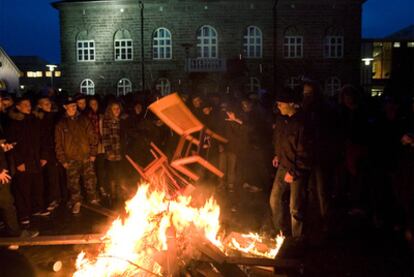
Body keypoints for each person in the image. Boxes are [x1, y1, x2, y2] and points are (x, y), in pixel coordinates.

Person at [269, 87, 312, 240]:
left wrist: (294, 172)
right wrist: (277, 155)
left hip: (297, 169)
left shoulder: (302, 123)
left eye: (281, 104)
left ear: (292, 104)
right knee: (274, 199)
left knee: (295, 207)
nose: (278, 107)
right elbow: (279, 140)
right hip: (283, 164)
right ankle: (280, 232)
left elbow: (305, 152)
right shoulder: (282, 120)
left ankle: (297, 239)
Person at [6, 97, 50, 225]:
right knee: (23, 188)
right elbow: (12, 145)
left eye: (29, 104)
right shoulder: (13, 123)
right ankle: (24, 213)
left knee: (38, 185)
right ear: (18, 107)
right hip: (23, 161)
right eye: (25, 104)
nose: (28, 106)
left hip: (36, 159)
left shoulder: (35, 121)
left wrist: (44, 156)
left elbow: (43, 139)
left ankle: (38, 208)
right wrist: (19, 162)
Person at [55, 97, 99, 214]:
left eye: (75, 105)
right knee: (73, 183)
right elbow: (58, 143)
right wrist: (63, 160)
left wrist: (93, 153)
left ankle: (93, 199)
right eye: (71, 105)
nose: (73, 107)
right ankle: (77, 202)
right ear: (65, 107)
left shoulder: (84, 120)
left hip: (86, 156)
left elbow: (92, 137)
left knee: (90, 180)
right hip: (71, 159)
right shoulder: (61, 124)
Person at [34, 96, 61, 211]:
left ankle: (54, 199)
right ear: (39, 105)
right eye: (45, 104)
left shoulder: (53, 117)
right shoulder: (38, 119)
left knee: (52, 177)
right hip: (42, 153)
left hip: (51, 152)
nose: (48, 105)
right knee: (45, 178)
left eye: (49, 103)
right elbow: (41, 137)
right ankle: (47, 200)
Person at [102, 101, 127, 204]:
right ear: (110, 110)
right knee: (112, 174)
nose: (117, 110)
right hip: (112, 152)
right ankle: (113, 194)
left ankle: (120, 193)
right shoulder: (107, 121)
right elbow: (105, 137)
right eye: (114, 108)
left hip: (120, 151)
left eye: (118, 108)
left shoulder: (121, 120)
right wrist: (109, 151)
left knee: (120, 173)